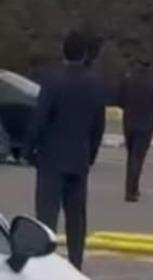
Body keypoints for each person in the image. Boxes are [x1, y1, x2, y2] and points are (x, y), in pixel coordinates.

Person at [24, 31, 106, 270]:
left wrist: (29, 150)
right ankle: (75, 264)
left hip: (51, 157)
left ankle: (43, 265)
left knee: (47, 215)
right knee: (76, 218)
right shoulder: (95, 83)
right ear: (85, 55)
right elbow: (98, 126)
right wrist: (90, 154)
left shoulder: (52, 80)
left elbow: (39, 118)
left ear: (64, 51)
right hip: (79, 158)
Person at [116, 60, 153, 203]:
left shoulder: (128, 81)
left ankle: (133, 187)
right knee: (138, 158)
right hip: (146, 123)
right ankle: (131, 191)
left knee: (131, 156)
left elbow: (118, 100)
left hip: (129, 121)